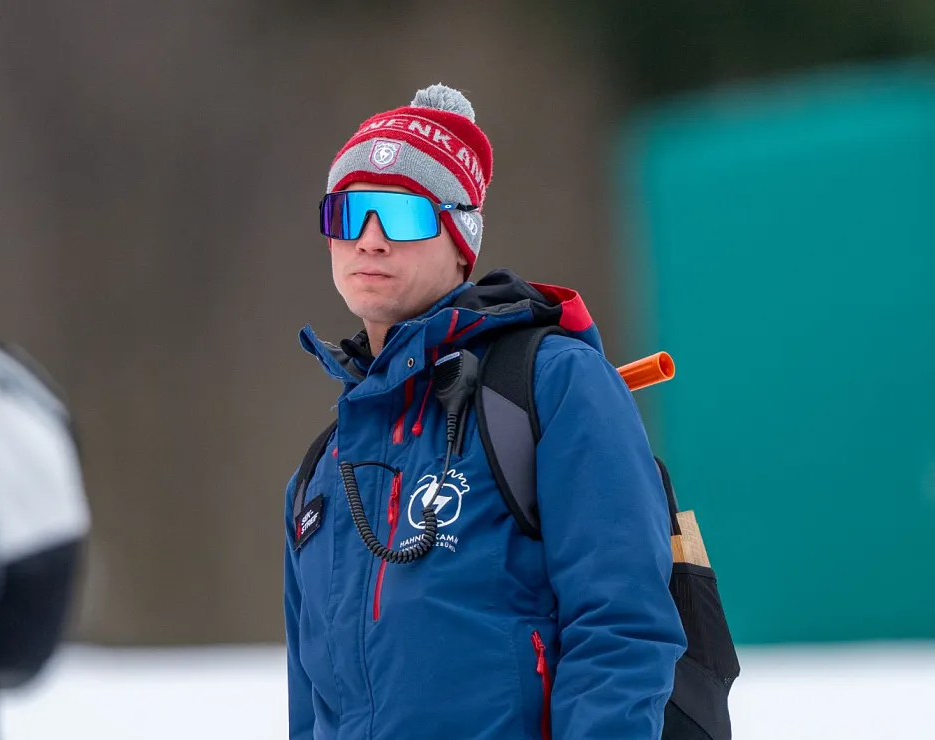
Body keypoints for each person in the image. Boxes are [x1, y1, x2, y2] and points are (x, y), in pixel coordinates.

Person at [283, 84, 688, 740]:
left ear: (459, 236)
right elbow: (314, 711)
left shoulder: (549, 385)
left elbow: (622, 629)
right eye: (349, 212)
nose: (371, 240)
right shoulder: (321, 474)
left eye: (403, 215)